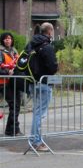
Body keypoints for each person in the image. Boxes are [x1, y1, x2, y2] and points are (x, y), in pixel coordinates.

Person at [27, 22, 58, 152]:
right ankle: (36, 141)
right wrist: (56, 66)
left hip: (32, 82)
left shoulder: (32, 44)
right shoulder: (47, 47)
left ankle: (35, 139)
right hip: (44, 83)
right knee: (40, 113)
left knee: (37, 112)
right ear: (50, 32)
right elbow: (52, 67)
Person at [0, 32, 23, 136]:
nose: (7, 40)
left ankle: (12, 129)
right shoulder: (0, 52)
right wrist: (7, 72)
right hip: (4, 82)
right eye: (5, 39)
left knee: (16, 105)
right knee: (14, 105)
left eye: (9, 38)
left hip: (14, 81)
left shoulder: (14, 51)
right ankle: (13, 129)